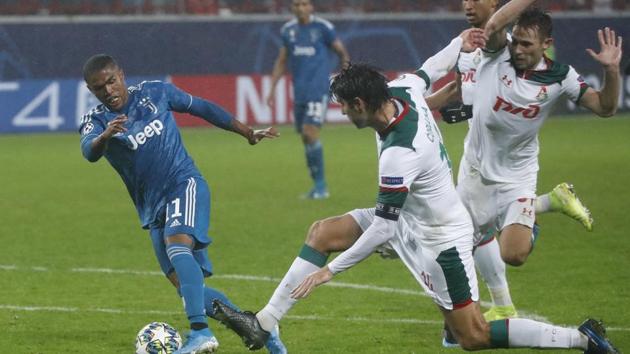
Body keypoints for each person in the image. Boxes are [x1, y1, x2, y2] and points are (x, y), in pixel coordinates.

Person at [212, 23, 619, 353]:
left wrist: (328, 273)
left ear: (359, 105)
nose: (340, 112)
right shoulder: (403, 89)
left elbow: (384, 229)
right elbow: (433, 65)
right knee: (323, 232)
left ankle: (580, 339)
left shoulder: (399, 153)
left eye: (343, 105)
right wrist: (460, 40)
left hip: (441, 241)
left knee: (473, 336)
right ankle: (263, 323)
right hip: (410, 218)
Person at [79, 54, 286, 354]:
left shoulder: (154, 92)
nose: (108, 90)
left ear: (121, 75)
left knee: (178, 247)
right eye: (99, 87)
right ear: (91, 90)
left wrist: (247, 132)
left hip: (183, 184)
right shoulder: (96, 122)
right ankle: (260, 327)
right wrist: (105, 137)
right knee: (187, 289)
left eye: (112, 81)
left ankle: (200, 332)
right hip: (152, 208)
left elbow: (201, 107)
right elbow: (89, 152)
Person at [439, 0, 595, 334]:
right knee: (467, 238)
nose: (467, 5)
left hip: (516, 171)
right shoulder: (468, 43)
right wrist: (436, 105)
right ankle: (501, 303)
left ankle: (536, 210)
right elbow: (462, 90)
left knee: (493, 245)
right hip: (477, 163)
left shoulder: (506, 46)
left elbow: (495, 30)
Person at [456, 0, 621, 276]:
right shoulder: (498, 54)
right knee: (456, 253)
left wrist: (611, 71)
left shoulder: (561, 77)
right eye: (517, 42)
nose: (518, 50)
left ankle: (528, 218)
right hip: (475, 170)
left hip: (518, 176)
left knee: (513, 255)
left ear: (547, 43)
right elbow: (495, 24)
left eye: (527, 45)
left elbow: (605, 108)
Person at [266, 0, 350, 199]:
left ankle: (321, 187)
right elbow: (282, 60)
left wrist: (346, 77)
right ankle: (317, 185)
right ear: (292, 8)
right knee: (305, 137)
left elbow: (341, 52)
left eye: (304, 4)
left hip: (318, 90)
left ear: (311, 7)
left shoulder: (323, 28)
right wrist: (272, 88)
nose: (301, 8)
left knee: (309, 132)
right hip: (300, 93)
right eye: (296, 5)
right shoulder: (288, 31)